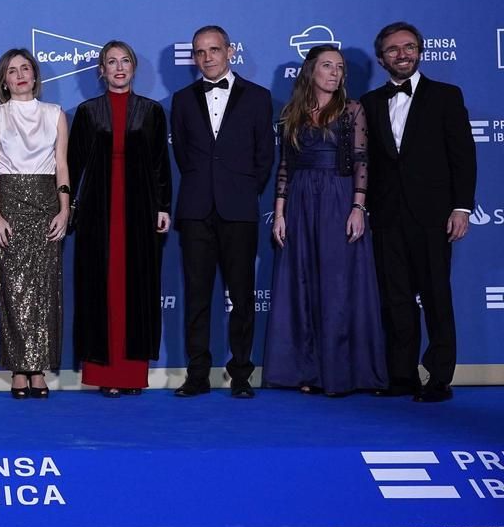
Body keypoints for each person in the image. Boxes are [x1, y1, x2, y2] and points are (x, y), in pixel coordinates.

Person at [361, 22, 476, 402]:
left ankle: (439, 377)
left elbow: (463, 157)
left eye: (409, 47)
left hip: (432, 215)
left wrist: (461, 207)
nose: (403, 54)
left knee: (436, 296)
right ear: (382, 59)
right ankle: (401, 375)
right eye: (393, 49)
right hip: (387, 215)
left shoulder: (445, 96)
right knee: (395, 299)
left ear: (420, 51)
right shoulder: (370, 102)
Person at [264, 45, 387, 396]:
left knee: (338, 285)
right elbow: (285, 166)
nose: (335, 73)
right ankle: (308, 371)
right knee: (302, 285)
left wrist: (357, 207)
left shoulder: (352, 110)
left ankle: (344, 372)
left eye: (340, 67)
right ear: (311, 72)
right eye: (327, 66)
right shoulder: (293, 113)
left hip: (338, 197)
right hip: (301, 200)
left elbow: (362, 160)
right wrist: (280, 213)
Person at [170, 25, 274, 398]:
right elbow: (183, 155)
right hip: (196, 209)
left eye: (214, 50)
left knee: (243, 296)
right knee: (197, 297)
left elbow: (265, 157)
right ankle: (197, 374)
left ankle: (242, 374)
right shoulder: (181, 100)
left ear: (229, 51)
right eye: (200, 52)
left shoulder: (259, 97)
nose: (207, 57)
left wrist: (242, 190)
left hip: (240, 209)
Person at [68, 41, 171, 397]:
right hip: (98, 210)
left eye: (125, 60)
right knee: (100, 285)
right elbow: (73, 165)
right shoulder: (86, 112)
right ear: (101, 71)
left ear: (134, 67)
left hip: (140, 209)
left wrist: (163, 207)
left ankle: (131, 375)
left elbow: (161, 166)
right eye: (111, 62)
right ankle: (104, 372)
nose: (119, 67)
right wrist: (67, 208)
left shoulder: (152, 111)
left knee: (137, 286)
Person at [0, 48, 69, 399]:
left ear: (35, 75)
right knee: (13, 291)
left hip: (47, 204)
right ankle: (20, 368)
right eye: (12, 70)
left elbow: (62, 166)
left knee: (45, 291)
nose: (19, 75)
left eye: (26, 68)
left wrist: (64, 211)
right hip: (10, 205)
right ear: (3, 79)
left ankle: (39, 369)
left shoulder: (56, 114)